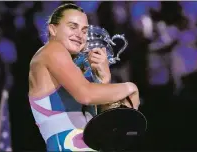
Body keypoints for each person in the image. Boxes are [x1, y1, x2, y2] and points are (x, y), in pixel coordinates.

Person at [28, 3, 140, 151]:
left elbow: (106, 123)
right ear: (53, 29)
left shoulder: (80, 68)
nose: (80, 35)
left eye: (84, 30)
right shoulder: (52, 50)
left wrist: (104, 79)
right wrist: (130, 87)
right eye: (72, 27)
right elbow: (85, 94)